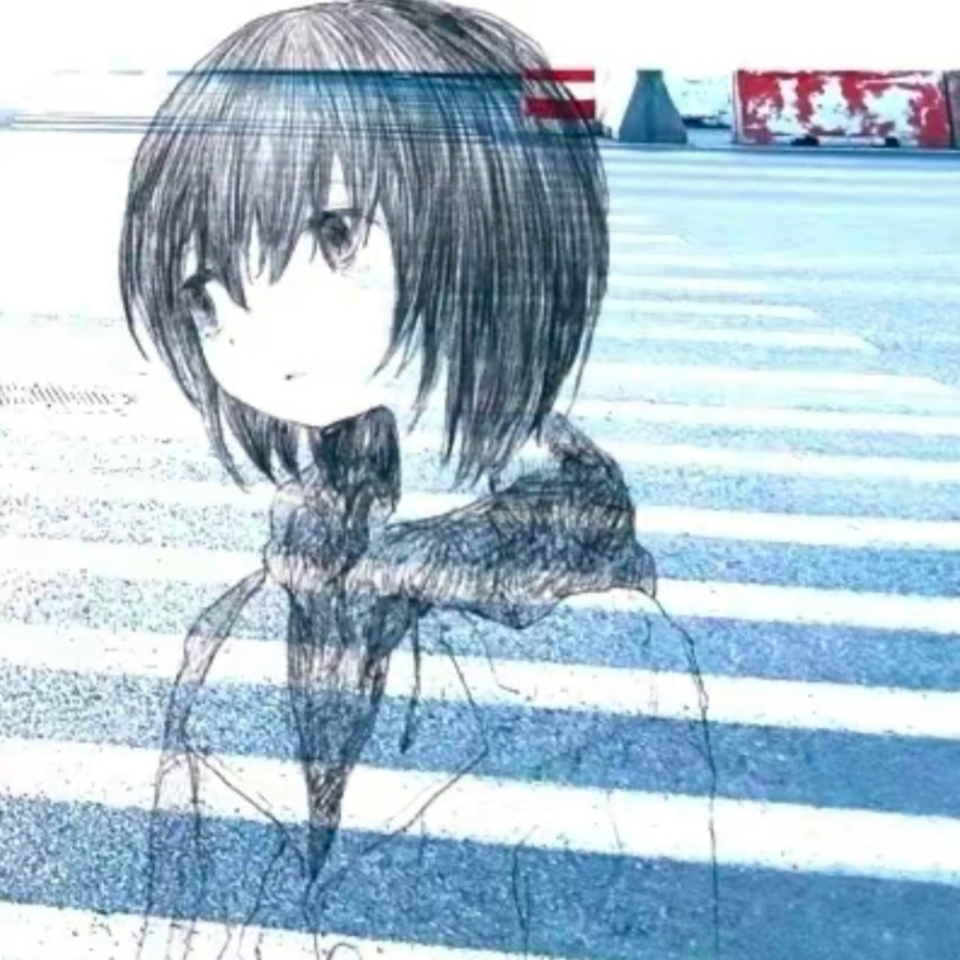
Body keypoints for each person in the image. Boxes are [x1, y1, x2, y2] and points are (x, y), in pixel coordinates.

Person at [119, 0, 657, 954]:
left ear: (503, 227)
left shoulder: (597, 639)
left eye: (334, 237)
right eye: (206, 293)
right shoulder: (250, 615)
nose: (250, 320)